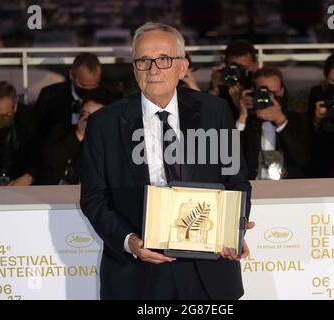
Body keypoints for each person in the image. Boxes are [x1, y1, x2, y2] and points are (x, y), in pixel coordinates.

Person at [80, 22, 252, 300]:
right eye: (144, 60)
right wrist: (129, 242)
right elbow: (93, 198)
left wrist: (234, 227)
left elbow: (235, 180)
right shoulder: (104, 124)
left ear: (182, 67)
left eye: (163, 59)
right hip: (135, 272)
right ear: (135, 68)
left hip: (208, 272)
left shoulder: (214, 112)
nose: (153, 69)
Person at [236, 67, 310, 180]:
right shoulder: (246, 122)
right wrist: (242, 118)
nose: (269, 98)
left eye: (274, 93)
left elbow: (302, 158)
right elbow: (230, 158)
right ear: (253, 92)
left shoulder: (297, 120)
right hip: (251, 187)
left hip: (288, 188)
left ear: (282, 91)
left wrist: (281, 121)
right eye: (264, 93)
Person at [39, 88, 114, 185]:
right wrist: (79, 134)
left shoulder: (111, 143)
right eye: (84, 113)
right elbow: (51, 161)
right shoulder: (61, 131)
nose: (86, 120)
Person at [34, 52, 102, 143]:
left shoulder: (108, 98)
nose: (87, 91)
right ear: (71, 75)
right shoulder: (50, 96)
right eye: (82, 85)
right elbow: (38, 133)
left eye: (93, 86)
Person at [208, 39, 259, 121]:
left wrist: (239, 102)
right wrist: (214, 90)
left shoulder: (263, 85)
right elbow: (208, 118)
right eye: (234, 69)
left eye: (243, 69)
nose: (238, 73)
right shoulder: (223, 84)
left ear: (256, 65)